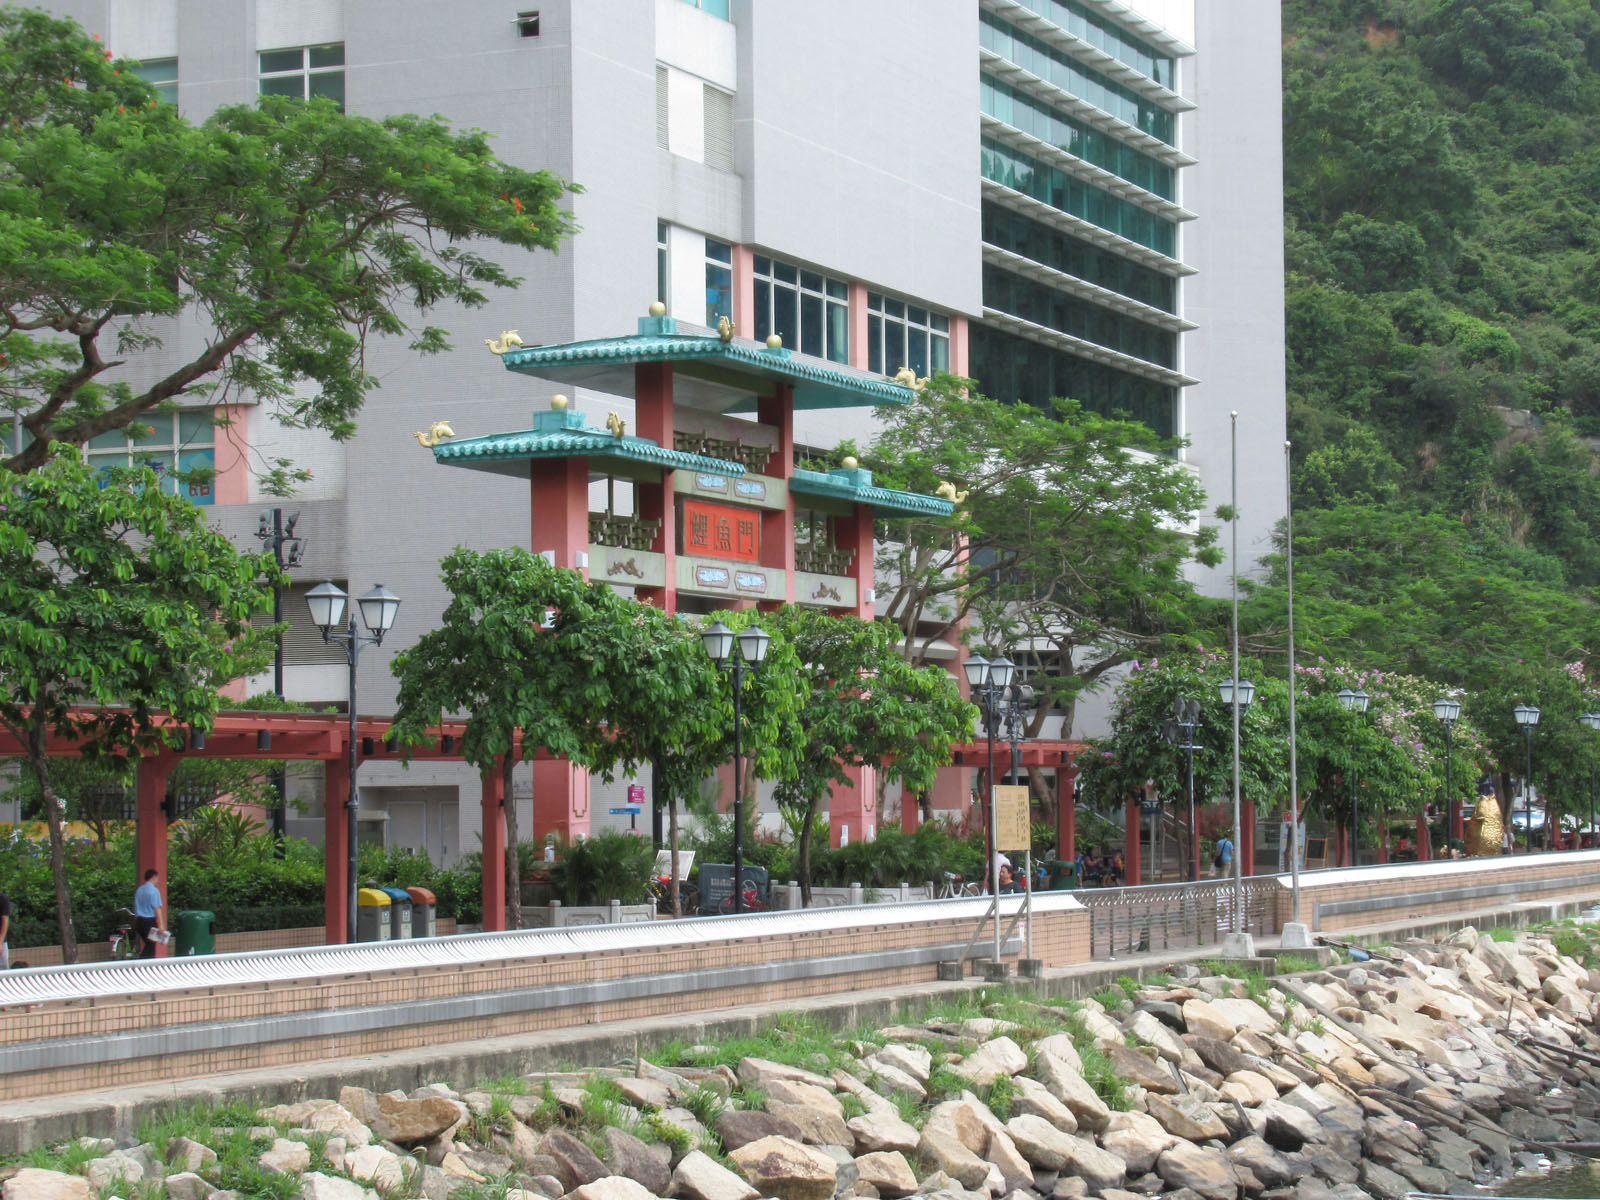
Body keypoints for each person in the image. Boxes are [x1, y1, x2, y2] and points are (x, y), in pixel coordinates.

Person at [133, 868, 165, 959]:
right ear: (153, 877)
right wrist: (161, 925)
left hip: (139, 922)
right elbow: (157, 908)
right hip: (149, 922)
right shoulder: (154, 891)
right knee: (151, 945)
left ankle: (144, 963)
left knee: (149, 943)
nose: (158, 881)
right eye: (157, 878)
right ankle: (143, 964)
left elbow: (136, 906)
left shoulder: (139, 890)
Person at [0, 889, 10, 970]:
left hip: (1, 941)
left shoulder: (2, 898)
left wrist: (0, 942)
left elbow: (5, 920)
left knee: (3, 968)